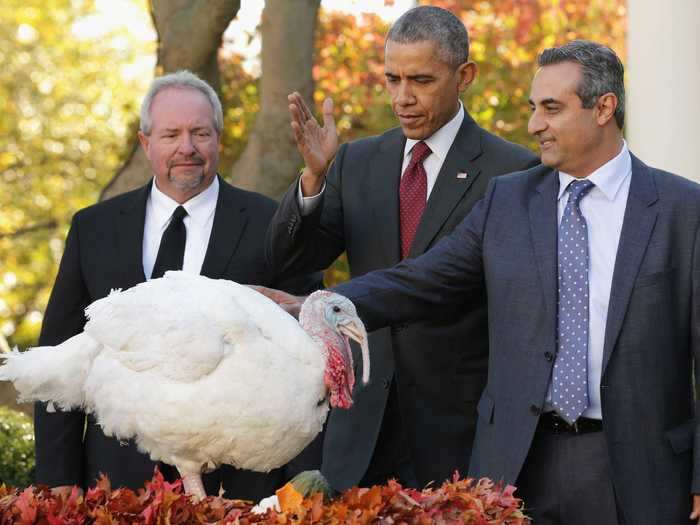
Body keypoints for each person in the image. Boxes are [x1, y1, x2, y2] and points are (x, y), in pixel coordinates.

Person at [260, 40, 700, 524]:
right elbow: (422, 280)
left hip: (639, 468)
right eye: (534, 109)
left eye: (551, 109)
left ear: (604, 108)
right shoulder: (508, 200)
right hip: (518, 463)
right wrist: (320, 304)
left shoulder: (682, 210)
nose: (535, 125)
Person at [265, 5, 538, 491]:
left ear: (465, 76)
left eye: (421, 80)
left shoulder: (513, 172)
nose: (402, 97)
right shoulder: (356, 161)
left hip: (458, 432)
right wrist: (313, 178)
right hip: (360, 426)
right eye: (392, 78)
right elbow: (291, 262)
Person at [34, 70, 320, 500]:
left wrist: (297, 489)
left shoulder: (271, 224)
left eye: (200, 133)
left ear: (218, 138)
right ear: (145, 142)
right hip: (117, 486)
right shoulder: (94, 229)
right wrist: (58, 480)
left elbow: (309, 359)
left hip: (240, 487)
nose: (187, 147)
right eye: (171, 134)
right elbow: (60, 355)